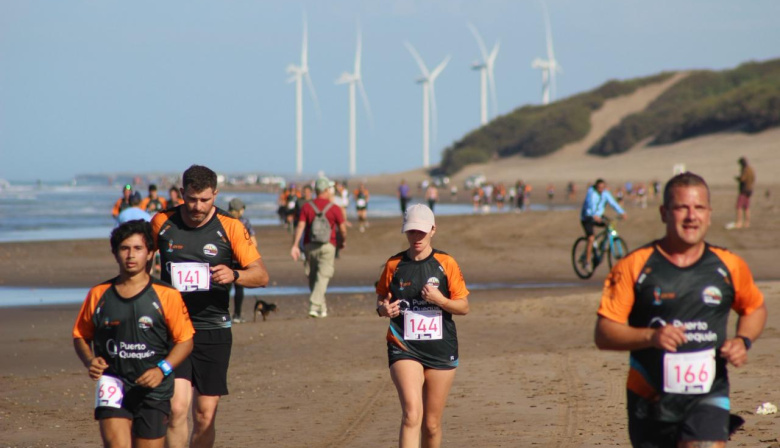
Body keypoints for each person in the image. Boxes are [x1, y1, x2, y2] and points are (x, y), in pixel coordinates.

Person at [594, 172, 767, 448]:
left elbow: (754, 308)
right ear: (664, 213)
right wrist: (651, 337)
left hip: (709, 394)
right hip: (649, 397)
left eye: (699, 208)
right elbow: (604, 333)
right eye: (681, 208)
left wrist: (742, 340)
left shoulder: (729, 265)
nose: (691, 216)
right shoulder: (634, 265)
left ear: (709, 214)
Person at [151, 165, 269, 448]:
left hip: (213, 329)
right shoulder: (162, 222)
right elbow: (138, 257)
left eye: (205, 200)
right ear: (182, 193)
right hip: (172, 330)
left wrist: (234, 274)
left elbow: (261, 275)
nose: (198, 206)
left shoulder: (231, 226)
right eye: (192, 199)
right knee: (176, 408)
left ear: (215, 194)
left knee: (204, 415)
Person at [73, 220, 195, 448]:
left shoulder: (167, 295)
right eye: (124, 248)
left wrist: (162, 370)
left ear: (150, 254)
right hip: (112, 383)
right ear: (115, 253)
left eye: (138, 248)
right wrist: (90, 360)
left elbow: (185, 341)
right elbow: (80, 335)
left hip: (153, 388)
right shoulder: (99, 294)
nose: (131, 255)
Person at [375, 204, 469, 448]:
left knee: (431, 424)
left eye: (421, 231)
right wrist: (383, 309)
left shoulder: (446, 262)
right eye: (411, 231)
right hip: (403, 345)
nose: (416, 237)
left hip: (440, 348)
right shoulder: (394, 264)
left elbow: (463, 307)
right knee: (411, 414)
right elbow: (382, 297)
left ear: (433, 230)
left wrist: (440, 300)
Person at [290, 176, 347, 318]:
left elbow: (300, 226)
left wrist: (295, 245)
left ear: (315, 191)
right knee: (323, 275)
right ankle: (314, 305)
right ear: (326, 190)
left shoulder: (307, 206)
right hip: (328, 245)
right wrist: (342, 241)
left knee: (314, 276)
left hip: (309, 245)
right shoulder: (335, 208)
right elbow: (343, 229)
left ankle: (321, 308)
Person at [580, 179, 627, 271]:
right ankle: (587, 262)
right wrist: (594, 215)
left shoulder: (605, 193)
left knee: (610, 225)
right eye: (599, 188)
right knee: (591, 238)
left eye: (602, 187)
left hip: (599, 216)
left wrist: (622, 212)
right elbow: (590, 205)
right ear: (596, 187)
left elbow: (613, 203)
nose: (601, 189)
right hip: (587, 217)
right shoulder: (591, 193)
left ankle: (602, 245)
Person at [227, 197, 258, 324]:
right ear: (240, 210)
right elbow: (254, 243)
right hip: (240, 259)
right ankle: (237, 315)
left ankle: (222, 315)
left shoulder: (223, 220)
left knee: (225, 288)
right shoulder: (244, 222)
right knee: (239, 288)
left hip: (226, 259)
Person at [732, 157, 755, 229]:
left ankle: (739, 222)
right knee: (746, 207)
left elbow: (743, 179)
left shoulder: (745, 170)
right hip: (749, 190)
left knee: (739, 206)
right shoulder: (751, 169)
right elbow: (753, 178)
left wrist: (738, 178)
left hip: (744, 190)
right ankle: (747, 223)